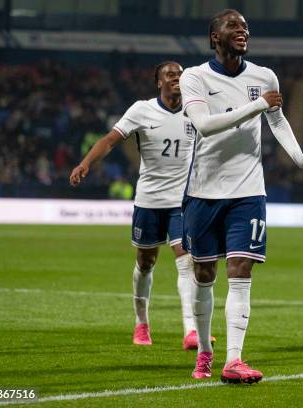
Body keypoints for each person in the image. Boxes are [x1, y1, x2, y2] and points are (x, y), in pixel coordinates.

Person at [180, 9, 303, 383]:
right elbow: (205, 126)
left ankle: (234, 359)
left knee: (240, 270)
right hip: (203, 191)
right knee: (204, 273)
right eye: (233, 25)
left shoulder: (264, 76)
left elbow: (277, 121)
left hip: (248, 192)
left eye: (245, 26)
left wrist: (301, 159)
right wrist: (258, 105)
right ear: (214, 37)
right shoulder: (194, 77)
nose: (242, 30)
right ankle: (205, 354)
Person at [70, 61, 214, 350]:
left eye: (180, 75)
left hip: (181, 202)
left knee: (186, 260)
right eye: (170, 75)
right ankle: (141, 322)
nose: (176, 79)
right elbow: (110, 140)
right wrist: (86, 163)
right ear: (158, 83)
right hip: (149, 200)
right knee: (146, 263)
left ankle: (191, 330)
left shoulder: (196, 111)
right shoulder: (141, 109)